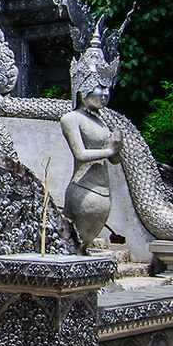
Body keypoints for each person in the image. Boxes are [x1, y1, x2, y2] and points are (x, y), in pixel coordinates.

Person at [59, 29, 123, 248]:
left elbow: (114, 159)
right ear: (83, 88)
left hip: (103, 190)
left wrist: (117, 148)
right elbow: (81, 154)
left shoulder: (103, 121)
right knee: (75, 244)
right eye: (99, 87)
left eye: (107, 88)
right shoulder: (71, 118)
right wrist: (110, 151)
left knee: (86, 245)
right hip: (84, 189)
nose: (105, 93)